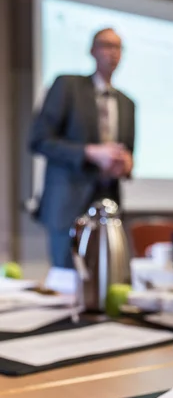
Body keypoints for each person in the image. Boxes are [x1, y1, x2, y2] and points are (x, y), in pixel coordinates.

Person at [29, 28, 135, 268]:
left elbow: (128, 153)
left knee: (109, 279)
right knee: (68, 282)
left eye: (117, 47)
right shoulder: (68, 86)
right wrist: (90, 152)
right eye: (106, 45)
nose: (112, 53)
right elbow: (39, 140)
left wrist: (126, 165)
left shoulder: (128, 104)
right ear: (93, 50)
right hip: (68, 204)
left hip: (108, 208)